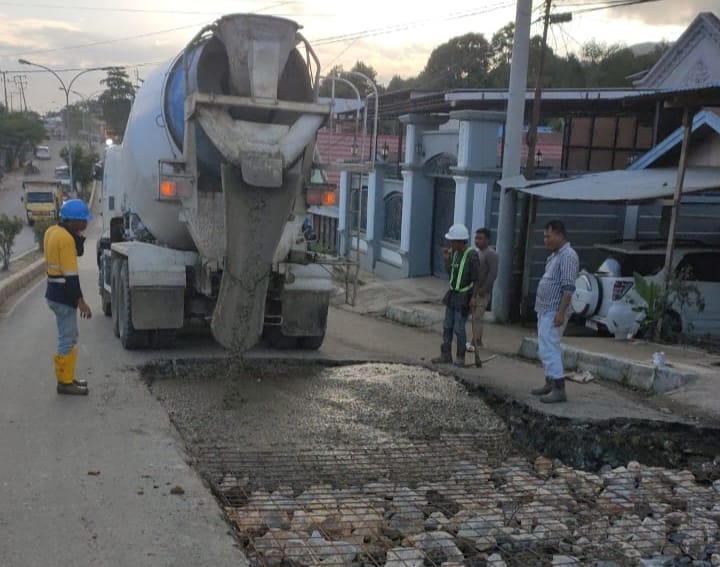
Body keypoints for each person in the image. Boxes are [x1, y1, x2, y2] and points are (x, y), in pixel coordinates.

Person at [45, 199, 93, 396]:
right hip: (64, 295)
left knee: (67, 336)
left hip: (54, 292)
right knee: (68, 338)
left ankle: (67, 377)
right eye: (83, 221)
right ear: (73, 221)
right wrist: (81, 302)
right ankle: (65, 383)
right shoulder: (65, 239)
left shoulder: (52, 231)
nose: (86, 224)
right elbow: (71, 277)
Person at [532, 220, 579, 403]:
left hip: (554, 310)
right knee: (545, 347)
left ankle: (559, 388)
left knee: (549, 346)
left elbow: (568, 287)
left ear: (559, 235)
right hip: (545, 309)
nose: (545, 240)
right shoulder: (554, 256)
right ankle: (550, 382)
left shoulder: (568, 256)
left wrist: (561, 312)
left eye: (548, 236)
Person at [431, 224, 480, 367]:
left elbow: (477, 278)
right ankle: (445, 354)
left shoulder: (472, 255)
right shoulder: (454, 253)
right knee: (447, 326)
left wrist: (474, 297)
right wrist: (446, 259)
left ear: (460, 241)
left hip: (464, 295)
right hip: (452, 294)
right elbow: (450, 272)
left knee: (459, 328)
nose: (450, 244)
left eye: (453, 241)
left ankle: (460, 356)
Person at [466, 228, 498, 367]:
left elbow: (492, 274)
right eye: (476, 238)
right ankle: (478, 340)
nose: (477, 241)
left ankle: (474, 342)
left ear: (487, 240)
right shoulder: (479, 253)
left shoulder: (491, 254)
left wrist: (484, 290)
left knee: (477, 316)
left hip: (482, 292)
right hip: (475, 291)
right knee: (476, 316)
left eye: (480, 238)